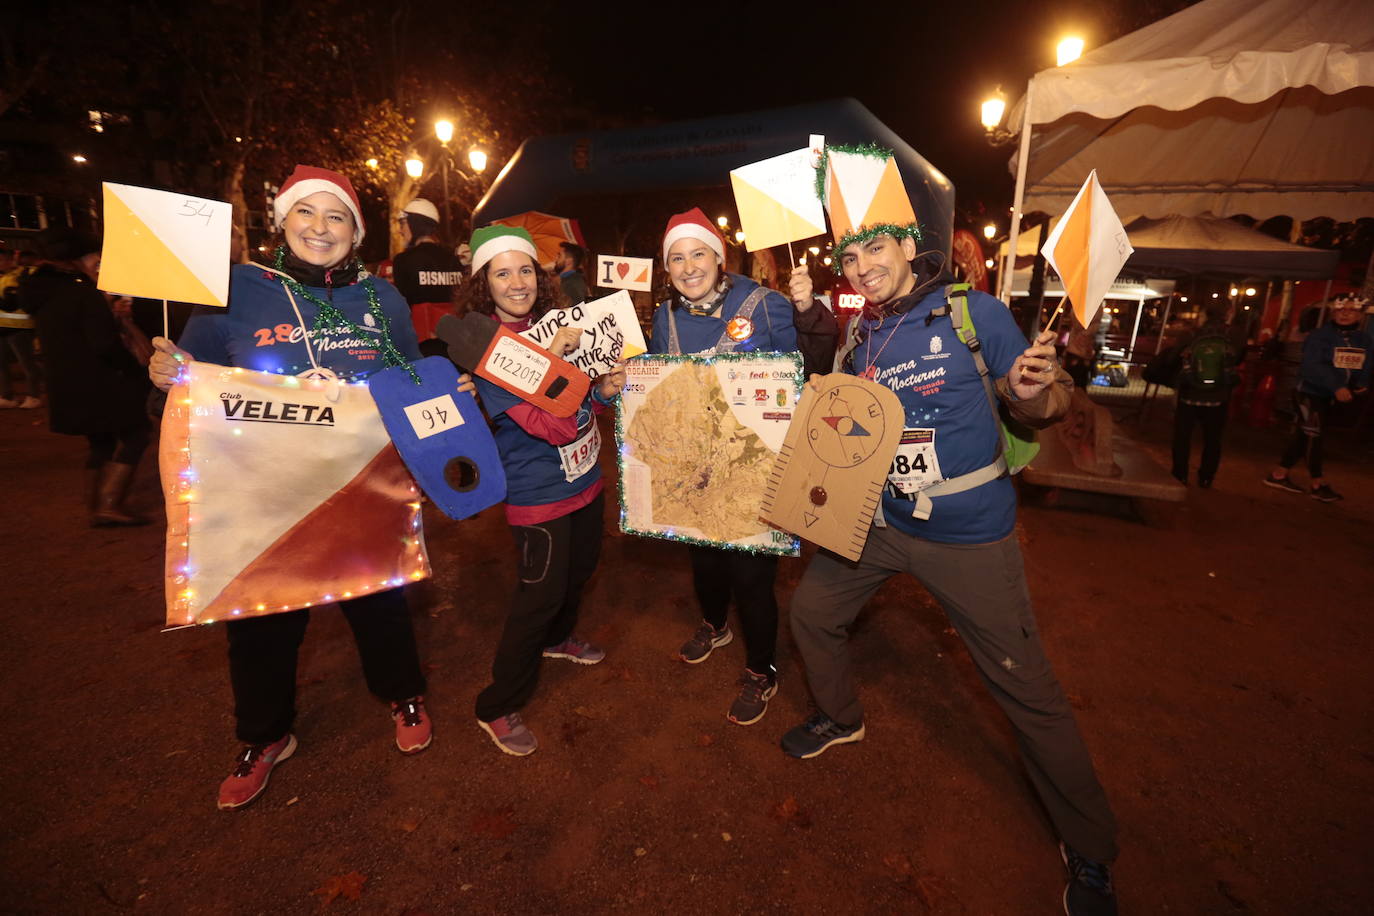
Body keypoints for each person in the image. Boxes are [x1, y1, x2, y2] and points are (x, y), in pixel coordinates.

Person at [783, 154, 1118, 915]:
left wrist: (1033, 389)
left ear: (910, 246)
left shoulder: (975, 315)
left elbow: (1041, 397)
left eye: (876, 247)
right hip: (881, 522)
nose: (863, 265)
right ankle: (840, 716)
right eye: (851, 254)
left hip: (969, 535)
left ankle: (1092, 849)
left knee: (1025, 689)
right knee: (813, 613)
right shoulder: (860, 337)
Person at [147, 165, 435, 810]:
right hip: (263, 492)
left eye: (337, 217)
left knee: (380, 601)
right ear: (281, 221)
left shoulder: (381, 298)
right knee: (263, 620)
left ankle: (403, 693)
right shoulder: (234, 289)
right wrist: (170, 377)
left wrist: (442, 405)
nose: (320, 228)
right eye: (306, 213)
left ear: (355, 233)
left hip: (363, 483)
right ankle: (264, 735)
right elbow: (194, 382)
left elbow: (412, 374)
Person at [647, 207, 836, 726]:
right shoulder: (663, 319)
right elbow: (661, 389)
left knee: (752, 580)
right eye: (677, 259)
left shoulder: (766, 304)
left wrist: (808, 314)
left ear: (719, 255)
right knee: (705, 562)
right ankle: (714, 623)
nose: (688, 267)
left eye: (698, 254)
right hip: (697, 473)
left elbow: (813, 370)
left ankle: (762, 669)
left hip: (756, 473)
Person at [460, 225, 625, 756]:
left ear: (541, 275)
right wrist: (558, 357)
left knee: (579, 572)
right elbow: (551, 423)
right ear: (484, 282)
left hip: (585, 478)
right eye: (502, 272)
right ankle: (497, 705)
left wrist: (603, 389)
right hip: (538, 492)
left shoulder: (558, 325)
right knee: (540, 596)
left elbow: (583, 411)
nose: (517, 282)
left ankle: (560, 639)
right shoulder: (488, 349)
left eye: (525, 269)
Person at [18, 229, 149, 525]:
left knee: (100, 442)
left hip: (67, 380)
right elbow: (103, 344)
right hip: (101, 381)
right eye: (94, 256)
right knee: (136, 434)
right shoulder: (83, 293)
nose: (99, 261)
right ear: (75, 260)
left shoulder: (44, 290)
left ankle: (93, 504)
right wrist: (130, 366)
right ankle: (109, 504)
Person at [1264, 294, 1371, 501]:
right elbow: (1312, 366)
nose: (1345, 313)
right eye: (1341, 310)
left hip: (1331, 397)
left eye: (1352, 310)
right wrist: (1337, 386)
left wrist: (1361, 383)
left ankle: (1278, 474)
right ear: (1333, 312)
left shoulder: (1363, 339)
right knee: (1314, 435)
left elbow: (1365, 363)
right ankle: (1317, 483)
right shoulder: (1320, 336)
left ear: (1360, 315)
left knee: (1305, 435)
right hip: (1310, 393)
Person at [1171, 306, 1241, 488]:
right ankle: (1206, 477)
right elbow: (1238, 360)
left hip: (1189, 395)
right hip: (1218, 396)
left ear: (1203, 316)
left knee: (1182, 437)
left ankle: (1180, 474)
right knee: (1213, 439)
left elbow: (1175, 356)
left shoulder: (1191, 335)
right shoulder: (1231, 338)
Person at [390, 198, 464, 344]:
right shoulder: (455, 259)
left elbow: (400, 309)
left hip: (420, 347)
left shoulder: (404, 260)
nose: (400, 230)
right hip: (456, 345)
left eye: (403, 223)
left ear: (416, 224)